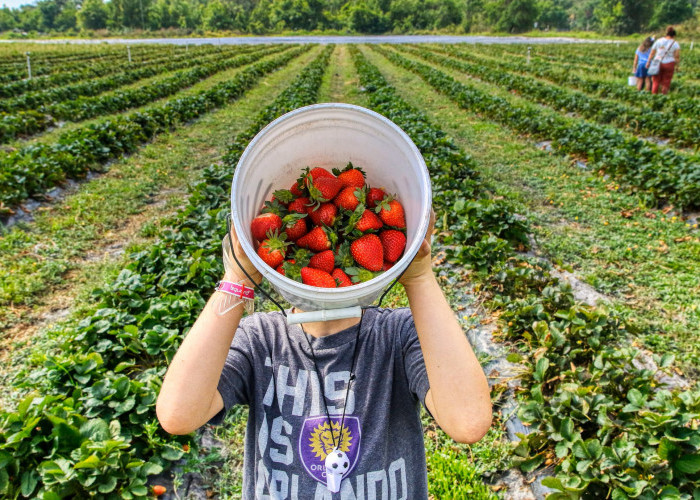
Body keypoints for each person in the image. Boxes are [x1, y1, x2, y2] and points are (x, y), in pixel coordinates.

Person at [155, 210, 493, 499]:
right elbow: (178, 415)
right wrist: (236, 277)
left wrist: (419, 277)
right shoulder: (259, 339)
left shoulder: (399, 335)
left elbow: (468, 422)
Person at [647, 26, 681, 95]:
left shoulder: (659, 41)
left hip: (657, 62)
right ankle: (664, 96)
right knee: (666, 81)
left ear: (666, 34)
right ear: (674, 35)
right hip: (669, 63)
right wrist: (677, 66)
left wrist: (648, 62)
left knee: (656, 81)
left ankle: (654, 96)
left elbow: (652, 53)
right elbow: (676, 56)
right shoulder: (675, 43)